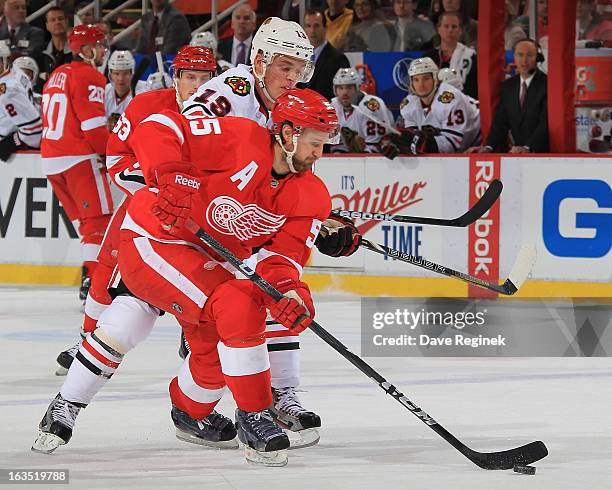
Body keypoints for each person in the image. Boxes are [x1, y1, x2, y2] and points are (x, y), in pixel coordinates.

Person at [32, 88, 340, 469]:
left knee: (216, 352)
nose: (318, 154)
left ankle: (189, 410)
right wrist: (172, 172)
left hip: (207, 261)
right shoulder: (239, 137)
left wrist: (290, 293)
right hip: (154, 238)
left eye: (324, 145)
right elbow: (160, 126)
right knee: (226, 306)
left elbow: (281, 260)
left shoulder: (311, 195)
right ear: (288, 133)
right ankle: (255, 415)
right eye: (314, 143)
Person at [54, 46, 217, 376]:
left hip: (201, 213)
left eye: (204, 79)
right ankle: (88, 339)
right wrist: (157, 189)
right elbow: (116, 160)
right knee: (107, 268)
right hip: (145, 205)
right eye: (189, 77)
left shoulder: (226, 114)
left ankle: (193, 335)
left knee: (206, 276)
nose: (197, 87)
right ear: (176, 78)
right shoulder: (147, 106)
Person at [40, 24, 114, 303]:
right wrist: (111, 154)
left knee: (87, 227)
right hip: (78, 159)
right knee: (97, 223)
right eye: (99, 44)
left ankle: (89, 279)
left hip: (51, 160)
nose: (103, 50)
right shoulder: (90, 76)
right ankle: (97, 287)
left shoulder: (56, 75)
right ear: (84, 50)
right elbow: (94, 128)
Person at [383, 57, 476, 157]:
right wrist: (398, 146)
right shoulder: (409, 104)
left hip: (479, 139)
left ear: (435, 79)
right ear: (411, 83)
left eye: (426, 79)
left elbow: (452, 144)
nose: (421, 85)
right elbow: (413, 138)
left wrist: (424, 144)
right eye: (416, 80)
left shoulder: (449, 99)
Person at [468, 39, 549, 154]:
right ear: (514, 57)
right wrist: (488, 147)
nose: (524, 60)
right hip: (517, 155)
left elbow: (545, 123)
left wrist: (528, 147)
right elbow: (500, 122)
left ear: (538, 58)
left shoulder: (547, 85)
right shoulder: (508, 86)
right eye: (520, 55)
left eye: (529, 55)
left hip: (542, 154)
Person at [330, 67, 395, 153]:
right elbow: (337, 147)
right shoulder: (333, 107)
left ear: (357, 88)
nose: (344, 92)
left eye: (349, 88)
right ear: (335, 90)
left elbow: (374, 147)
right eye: (340, 88)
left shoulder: (371, 107)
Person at [0, 43, 42, 162]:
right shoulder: (15, 69)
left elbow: (34, 130)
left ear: (7, 60)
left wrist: (12, 142)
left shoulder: (9, 92)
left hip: (9, 140)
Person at [423, 11, 477, 99]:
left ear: (460, 30)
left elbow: (473, 90)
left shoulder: (471, 57)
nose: (450, 30)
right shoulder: (428, 57)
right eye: (446, 26)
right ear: (438, 29)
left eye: (454, 27)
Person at [302, 9, 350, 101]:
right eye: (308, 26)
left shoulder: (338, 59)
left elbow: (342, 93)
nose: (312, 30)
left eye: (316, 26)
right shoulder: (299, 57)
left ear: (325, 27)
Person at [41, 7, 72, 85]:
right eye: (53, 20)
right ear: (47, 26)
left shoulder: (77, 51)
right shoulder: (38, 52)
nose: (57, 22)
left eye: (60, 19)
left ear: (67, 22)